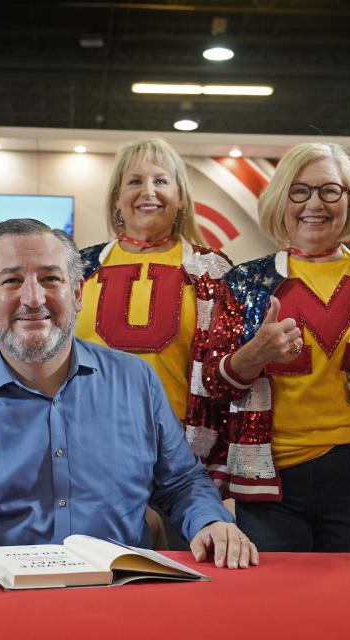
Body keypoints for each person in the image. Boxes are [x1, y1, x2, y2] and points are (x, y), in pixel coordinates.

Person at [0, 218, 258, 604]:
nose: (33, 298)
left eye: (50, 279)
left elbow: (182, 482)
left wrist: (210, 520)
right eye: (12, 281)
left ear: (77, 293)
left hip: (120, 598)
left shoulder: (137, 382)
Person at [199, 142, 350, 552]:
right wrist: (255, 354)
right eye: (300, 191)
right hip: (270, 475)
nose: (315, 203)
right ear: (281, 200)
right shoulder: (244, 283)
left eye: (330, 190)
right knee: (277, 607)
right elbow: (214, 385)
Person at [75, 138, 232, 548]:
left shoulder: (213, 271)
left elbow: (226, 375)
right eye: (134, 181)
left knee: (181, 586)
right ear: (116, 199)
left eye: (161, 180)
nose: (148, 191)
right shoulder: (77, 268)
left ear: (180, 198)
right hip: (85, 454)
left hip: (179, 460)